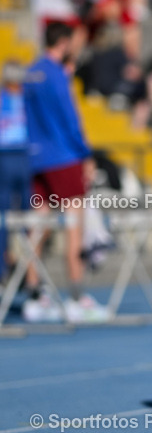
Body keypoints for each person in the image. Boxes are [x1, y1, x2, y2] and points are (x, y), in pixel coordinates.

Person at [22, 22, 109, 323]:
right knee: (75, 226)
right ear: (64, 42)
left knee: (37, 226)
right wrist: (85, 153)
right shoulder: (57, 75)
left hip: (35, 159)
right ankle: (76, 296)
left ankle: (35, 294)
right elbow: (70, 118)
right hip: (64, 157)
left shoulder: (30, 73)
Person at [0, 62, 31, 287]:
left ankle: (29, 270)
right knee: (4, 217)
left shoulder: (29, 98)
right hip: (6, 157)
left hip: (26, 157)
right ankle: (4, 266)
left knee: (29, 218)